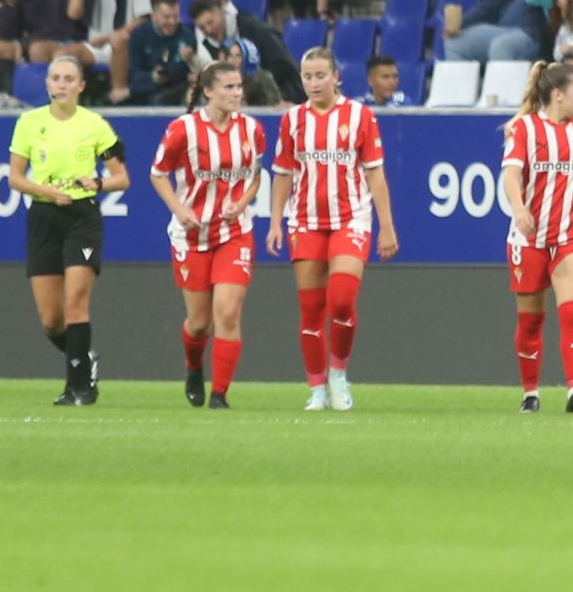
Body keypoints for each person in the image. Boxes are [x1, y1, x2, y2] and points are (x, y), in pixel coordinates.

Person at [266, 50, 400, 412]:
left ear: (336, 76)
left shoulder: (360, 116)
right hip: (306, 221)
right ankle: (316, 388)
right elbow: (283, 173)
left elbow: (375, 173)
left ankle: (338, 374)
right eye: (307, 76)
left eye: (320, 75)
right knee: (310, 309)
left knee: (341, 299)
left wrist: (386, 226)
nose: (313, 83)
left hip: (351, 219)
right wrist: (276, 221)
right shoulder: (292, 120)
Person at [6, 55, 129, 406]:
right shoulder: (29, 123)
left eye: (68, 78)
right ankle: (85, 361)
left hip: (81, 217)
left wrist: (98, 182)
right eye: (55, 78)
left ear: (81, 86)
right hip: (45, 215)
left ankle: (78, 389)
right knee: (51, 319)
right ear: (46, 84)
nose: (61, 84)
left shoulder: (95, 125)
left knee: (76, 303)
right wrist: (47, 191)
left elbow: (122, 178)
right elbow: (15, 178)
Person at [149, 62, 266, 410]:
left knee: (227, 313)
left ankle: (220, 394)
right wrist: (179, 209)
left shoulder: (251, 129)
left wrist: (242, 201)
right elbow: (158, 174)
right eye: (229, 87)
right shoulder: (182, 130)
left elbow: (256, 175)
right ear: (209, 91)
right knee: (199, 324)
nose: (237, 94)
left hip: (234, 233)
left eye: (239, 86)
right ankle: (193, 367)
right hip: (192, 236)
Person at [501, 60, 573, 414]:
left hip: (571, 235)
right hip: (528, 239)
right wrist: (519, 208)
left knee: (572, 312)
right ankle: (531, 393)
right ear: (558, 94)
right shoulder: (525, 129)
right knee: (530, 320)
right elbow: (511, 175)